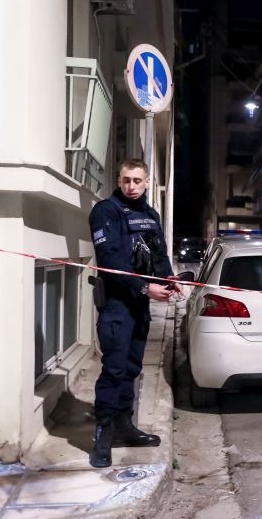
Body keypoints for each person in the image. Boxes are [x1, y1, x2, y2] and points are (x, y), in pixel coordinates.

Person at [88, 159, 181, 468]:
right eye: (126, 180)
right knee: (114, 369)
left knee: (131, 368)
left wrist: (168, 280)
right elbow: (110, 261)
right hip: (117, 304)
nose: (131, 186)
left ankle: (124, 426)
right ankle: (103, 435)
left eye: (137, 180)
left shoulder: (150, 215)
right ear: (119, 180)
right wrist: (144, 288)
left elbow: (159, 256)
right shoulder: (106, 211)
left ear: (146, 182)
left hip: (139, 306)